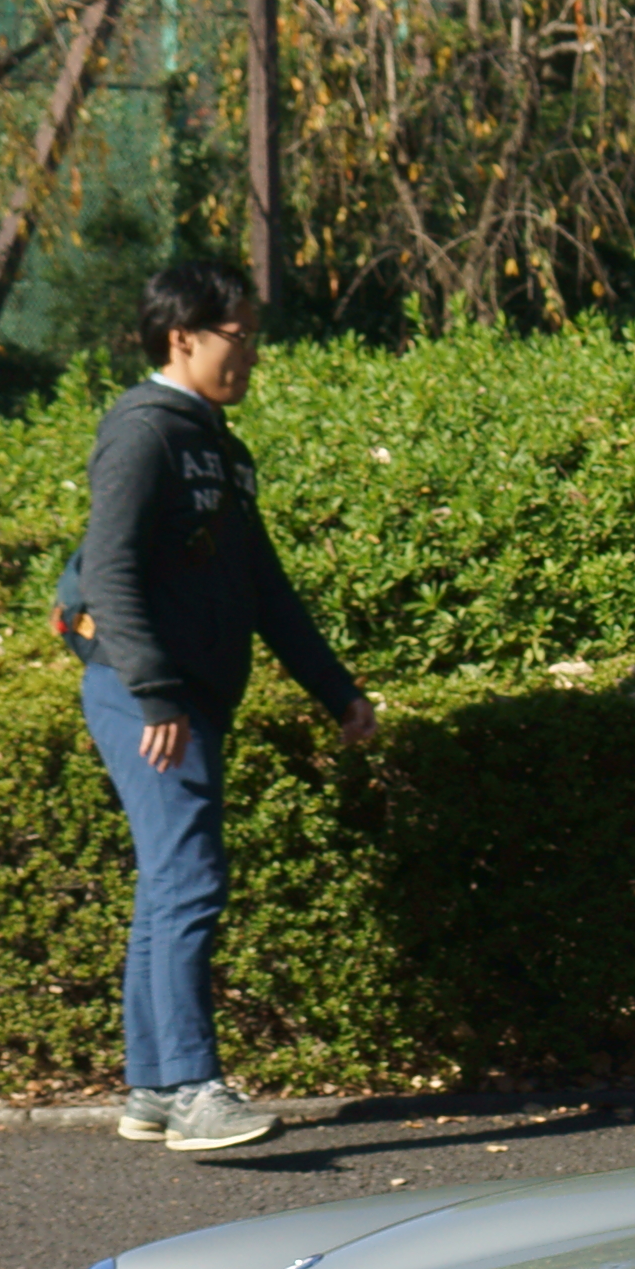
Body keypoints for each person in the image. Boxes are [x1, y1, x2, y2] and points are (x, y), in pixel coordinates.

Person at [64, 259, 374, 1154]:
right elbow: (111, 569)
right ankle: (196, 1088)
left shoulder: (219, 447)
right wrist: (156, 690)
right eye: (238, 337)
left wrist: (336, 690)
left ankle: (157, 1087)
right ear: (182, 337)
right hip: (147, 695)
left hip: (179, 695)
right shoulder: (142, 433)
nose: (250, 355)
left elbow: (262, 585)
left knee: (170, 883)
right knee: (190, 880)